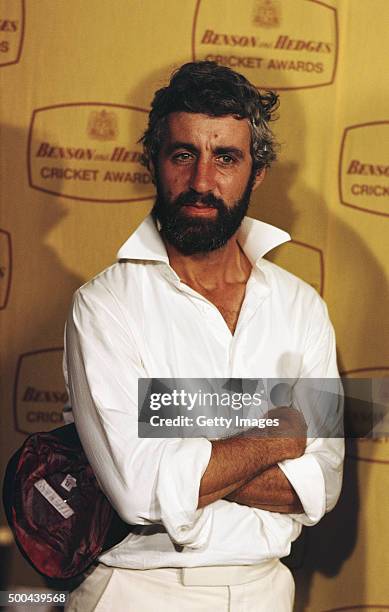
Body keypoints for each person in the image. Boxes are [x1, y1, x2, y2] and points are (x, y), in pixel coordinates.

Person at [64, 61, 344, 612]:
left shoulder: (302, 307)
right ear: (154, 161)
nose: (201, 181)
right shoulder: (103, 306)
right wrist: (276, 436)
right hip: (136, 592)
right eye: (183, 154)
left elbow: (324, 484)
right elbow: (137, 493)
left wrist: (180, 446)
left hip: (267, 590)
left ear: (256, 173)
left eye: (226, 158)